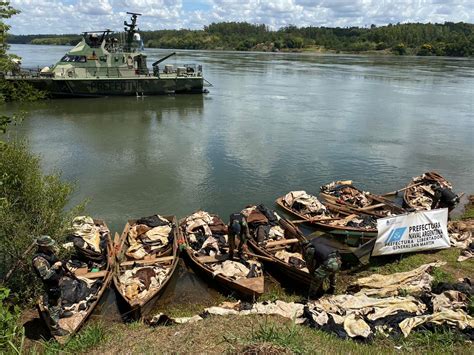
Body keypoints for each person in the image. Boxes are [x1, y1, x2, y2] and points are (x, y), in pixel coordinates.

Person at [32, 236, 69, 336]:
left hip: (56, 282)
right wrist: (55, 266)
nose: (50, 246)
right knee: (53, 306)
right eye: (48, 245)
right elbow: (45, 276)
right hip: (50, 285)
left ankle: (60, 312)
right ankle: (55, 328)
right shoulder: (38, 260)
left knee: (59, 299)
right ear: (43, 246)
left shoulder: (47, 253)